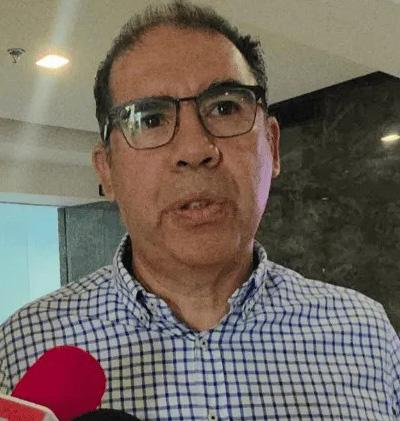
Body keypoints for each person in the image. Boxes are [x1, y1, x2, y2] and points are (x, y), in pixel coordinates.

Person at [1, 1, 399, 420]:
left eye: (225, 108)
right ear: (107, 171)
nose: (194, 149)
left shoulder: (366, 335)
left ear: (273, 145)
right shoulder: (21, 350)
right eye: (149, 119)